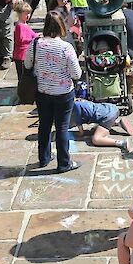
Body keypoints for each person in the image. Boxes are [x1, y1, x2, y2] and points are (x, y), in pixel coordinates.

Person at [30, 12, 83, 173]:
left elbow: (27, 64)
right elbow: (76, 74)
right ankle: (64, 163)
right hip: (63, 92)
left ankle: (44, 158)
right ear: (61, 26)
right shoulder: (66, 47)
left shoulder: (36, 43)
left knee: (44, 125)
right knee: (62, 127)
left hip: (43, 90)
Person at [11, 0, 38, 89]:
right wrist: (33, 38)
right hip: (21, 55)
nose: (28, 16)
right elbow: (21, 39)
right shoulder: (19, 25)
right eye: (26, 14)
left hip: (26, 54)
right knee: (22, 76)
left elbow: (32, 33)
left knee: (27, 75)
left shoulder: (25, 24)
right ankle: (22, 91)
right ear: (19, 14)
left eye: (29, 13)